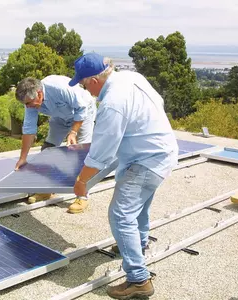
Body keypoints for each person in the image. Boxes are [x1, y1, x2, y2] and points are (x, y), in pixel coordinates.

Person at [70, 53, 178, 299]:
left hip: (146, 160)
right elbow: (159, 102)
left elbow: (100, 155)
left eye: (85, 84)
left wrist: (81, 182)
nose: (87, 90)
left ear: (94, 80)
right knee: (137, 208)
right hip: (162, 152)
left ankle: (138, 279)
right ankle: (136, 245)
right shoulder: (132, 77)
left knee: (120, 215)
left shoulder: (112, 104)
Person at [14, 75, 96, 213]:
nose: (28, 107)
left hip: (83, 113)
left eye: (29, 103)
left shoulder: (60, 88)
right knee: (48, 150)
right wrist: (23, 158)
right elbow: (29, 129)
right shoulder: (30, 102)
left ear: (39, 94)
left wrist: (73, 132)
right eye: (25, 104)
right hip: (60, 118)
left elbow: (81, 108)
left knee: (82, 154)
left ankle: (83, 196)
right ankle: (47, 190)